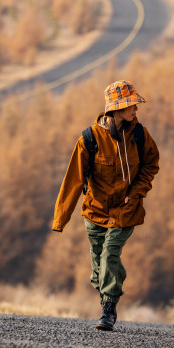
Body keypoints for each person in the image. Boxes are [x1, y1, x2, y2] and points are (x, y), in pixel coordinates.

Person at [53, 80, 160, 331]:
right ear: (117, 108)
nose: (136, 109)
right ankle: (106, 293)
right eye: (131, 105)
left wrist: (135, 193)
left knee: (110, 253)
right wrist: (60, 219)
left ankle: (108, 310)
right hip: (95, 211)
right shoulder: (89, 138)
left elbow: (151, 165)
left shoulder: (140, 135)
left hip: (126, 210)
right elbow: (73, 181)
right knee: (98, 269)